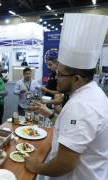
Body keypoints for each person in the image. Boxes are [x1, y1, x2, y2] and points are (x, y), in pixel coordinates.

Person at [25, 13, 108, 180]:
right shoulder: (94, 93)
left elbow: (65, 163)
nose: (56, 79)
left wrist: (37, 167)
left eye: (60, 74)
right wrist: (48, 113)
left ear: (77, 78)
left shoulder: (81, 107)